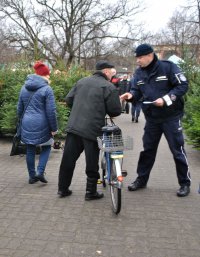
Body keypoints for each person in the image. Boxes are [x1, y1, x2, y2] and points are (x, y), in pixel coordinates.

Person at [120, 43, 191, 197]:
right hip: (152, 118)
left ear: (150, 55)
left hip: (171, 117)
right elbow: (136, 91)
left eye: (140, 57)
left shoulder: (168, 67)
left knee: (177, 150)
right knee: (147, 150)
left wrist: (165, 99)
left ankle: (185, 183)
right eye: (136, 57)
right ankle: (141, 179)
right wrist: (131, 96)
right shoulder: (138, 74)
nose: (137, 60)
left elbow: (183, 85)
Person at [58, 60, 122, 200]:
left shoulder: (81, 82)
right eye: (111, 72)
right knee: (91, 162)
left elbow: (69, 100)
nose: (112, 75)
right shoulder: (108, 86)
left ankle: (62, 189)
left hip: (74, 126)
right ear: (105, 71)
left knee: (68, 159)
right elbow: (115, 111)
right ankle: (90, 192)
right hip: (93, 129)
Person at [17, 61, 58, 184]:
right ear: (44, 75)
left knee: (30, 149)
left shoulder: (24, 87)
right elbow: (51, 111)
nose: (49, 76)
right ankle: (40, 172)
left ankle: (32, 176)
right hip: (43, 123)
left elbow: (19, 108)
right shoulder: (47, 89)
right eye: (48, 74)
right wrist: (54, 128)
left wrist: (22, 121)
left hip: (27, 122)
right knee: (46, 146)